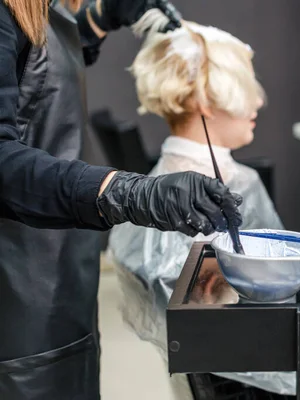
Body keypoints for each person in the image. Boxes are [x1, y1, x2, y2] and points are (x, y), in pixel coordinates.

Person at [0, 1, 243, 399]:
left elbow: (34, 74)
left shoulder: (40, 9)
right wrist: (123, 192)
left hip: (61, 266)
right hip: (14, 282)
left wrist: (98, 19)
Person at [106, 10, 284, 399]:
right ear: (206, 99)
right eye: (245, 89)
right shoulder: (214, 192)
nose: (257, 102)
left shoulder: (159, 182)